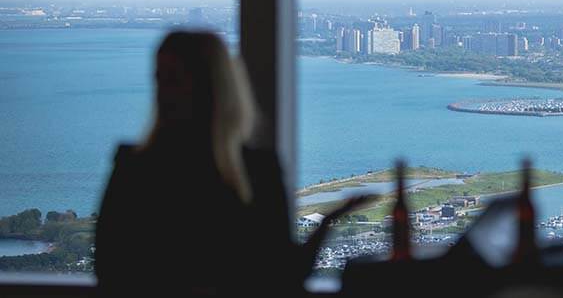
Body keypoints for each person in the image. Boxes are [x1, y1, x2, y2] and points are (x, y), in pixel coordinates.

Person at [95, 31, 369, 296]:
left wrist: (330, 218)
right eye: (160, 78)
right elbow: (286, 275)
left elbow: (112, 272)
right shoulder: (256, 170)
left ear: (207, 88)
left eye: (173, 80)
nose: (162, 92)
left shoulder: (136, 168)